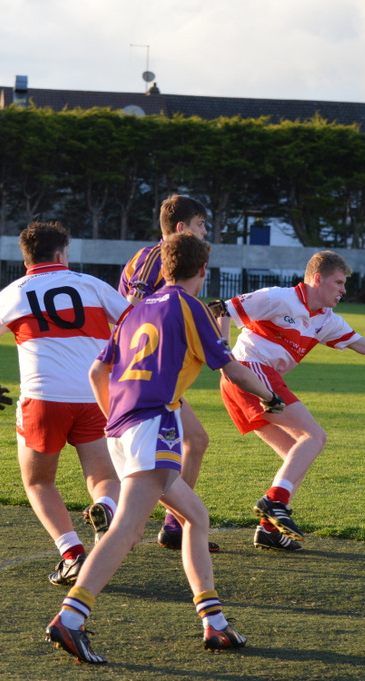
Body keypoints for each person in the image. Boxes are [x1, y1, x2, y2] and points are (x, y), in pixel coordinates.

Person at [46, 232, 284, 664]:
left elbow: (98, 372)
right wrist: (269, 397)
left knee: (195, 516)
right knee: (128, 529)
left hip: (121, 428)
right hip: (154, 424)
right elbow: (229, 367)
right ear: (202, 271)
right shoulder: (189, 307)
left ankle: (214, 622)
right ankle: (71, 618)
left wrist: (116, 416)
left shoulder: (134, 310)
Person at [209, 251, 365, 551]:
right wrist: (225, 355)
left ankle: (268, 530)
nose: (343, 290)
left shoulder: (327, 320)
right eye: (338, 282)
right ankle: (274, 503)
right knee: (314, 436)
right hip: (249, 372)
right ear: (317, 279)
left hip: (252, 380)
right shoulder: (279, 297)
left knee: (296, 453)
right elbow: (219, 309)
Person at [0, 221, 127, 586]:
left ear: (27, 258)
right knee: (104, 477)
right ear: (60, 254)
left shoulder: (13, 292)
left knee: (38, 481)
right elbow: (136, 326)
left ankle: (72, 554)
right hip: (95, 397)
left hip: (43, 399)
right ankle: (107, 507)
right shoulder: (91, 285)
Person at [118, 194, 227, 552]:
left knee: (195, 441)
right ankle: (128, 519)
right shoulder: (155, 258)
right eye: (200, 224)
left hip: (153, 373)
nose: (205, 230)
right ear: (181, 228)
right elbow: (131, 311)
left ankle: (172, 525)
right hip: (140, 377)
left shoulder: (165, 259)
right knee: (139, 459)